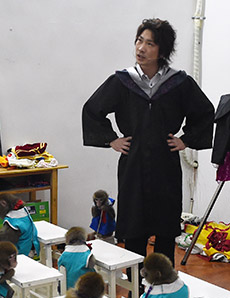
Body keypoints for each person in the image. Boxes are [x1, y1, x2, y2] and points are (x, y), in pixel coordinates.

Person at [82, 18, 214, 265]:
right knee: (134, 229)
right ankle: (135, 289)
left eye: (150, 43)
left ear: (162, 50)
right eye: (139, 41)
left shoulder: (179, 83)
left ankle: (164, 286)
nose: (141, 48)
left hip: (166, 163)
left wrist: (186, 140)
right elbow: (92, 109)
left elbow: (205, 112)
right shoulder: (123, 81)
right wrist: (111, 139)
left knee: (165, 229)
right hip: (134, 162)